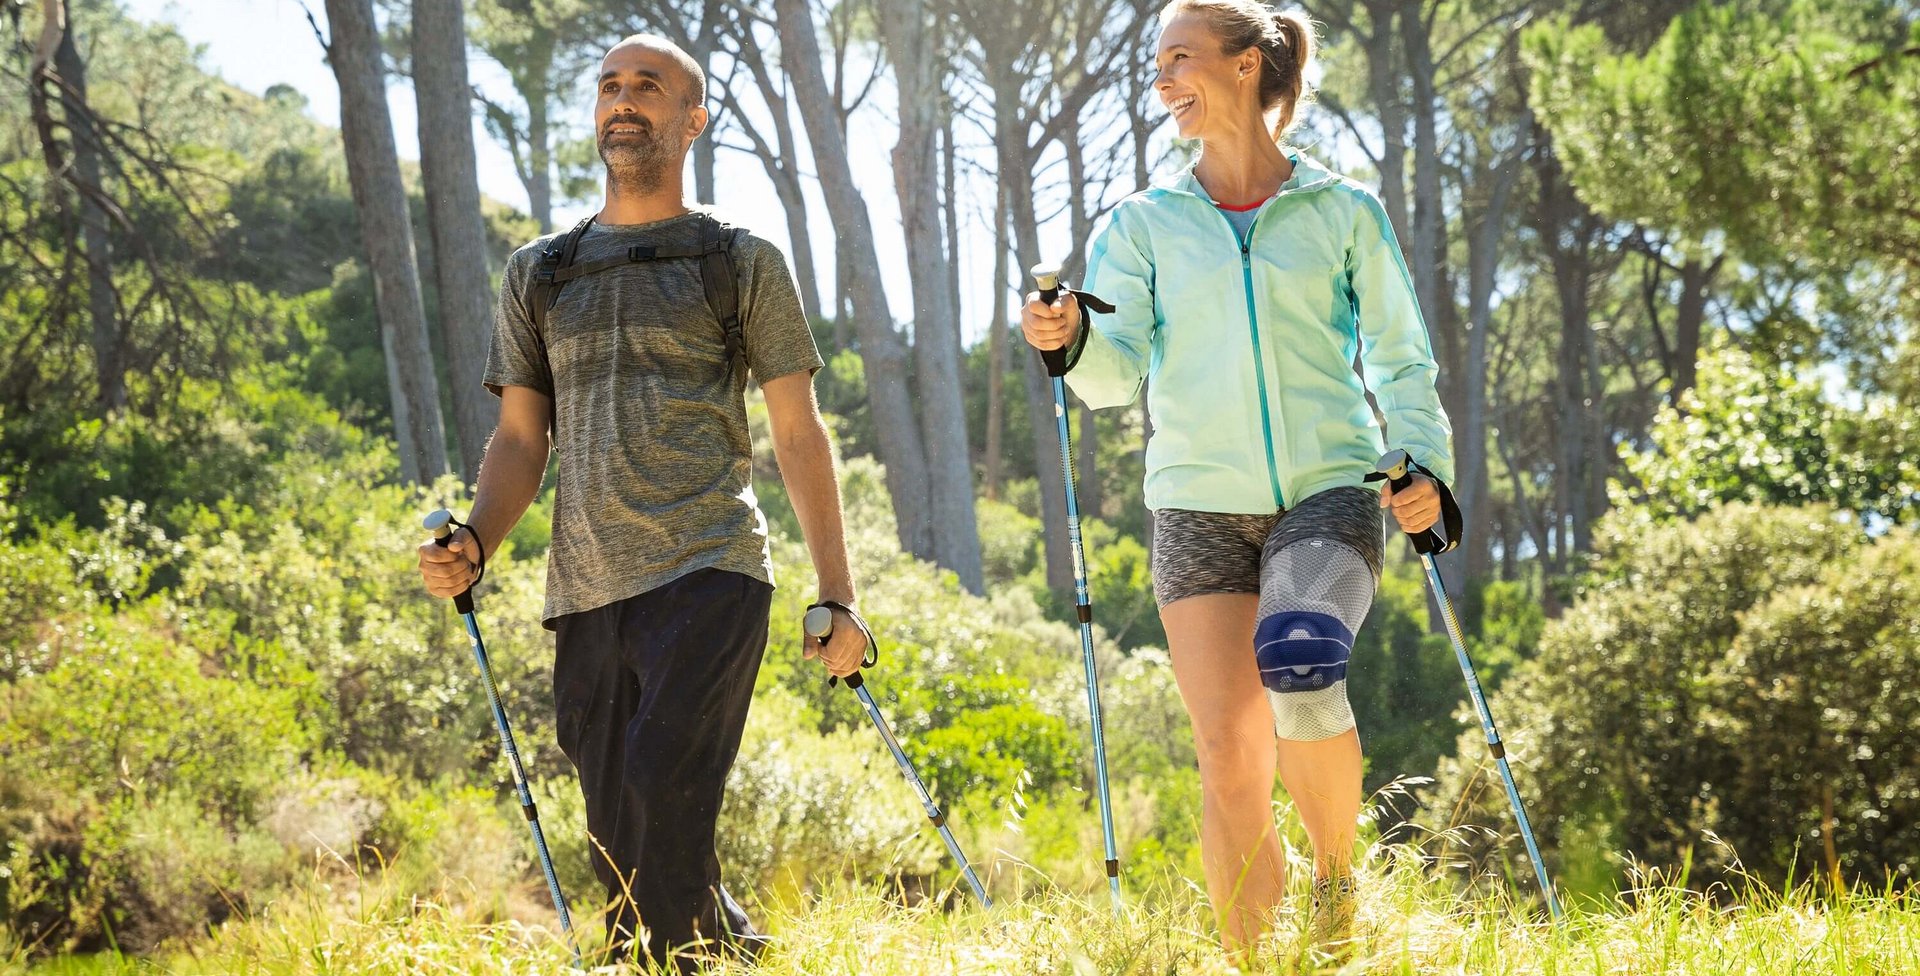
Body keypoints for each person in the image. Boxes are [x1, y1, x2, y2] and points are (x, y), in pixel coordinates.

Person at [417, 33, 869, 971]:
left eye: (649, 87)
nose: (624, 101)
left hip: (710, 568)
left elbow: (797, 433)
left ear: (691, 119)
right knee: (622, 832)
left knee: (666, 785)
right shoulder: (540, 272)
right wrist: (475, 539)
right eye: (610, 85)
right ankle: (732, 952)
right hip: (585, 587)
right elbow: (518, 440)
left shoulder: (737, 259)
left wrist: (838, 593)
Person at [1022, 0, 1455, 961]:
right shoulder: (1141, 224)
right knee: (1229, 755)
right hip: (1196, 506)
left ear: (1249, 65)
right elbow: (1109, 377)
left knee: (1301, 661)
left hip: (1329, 492)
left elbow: (1401, 361)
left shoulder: (1343, 211)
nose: (1164, 81)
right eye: (1157, 65)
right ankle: (1252, 958)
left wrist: (1424, 468)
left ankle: (1339, 886)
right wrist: (1072, 338)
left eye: (1181, 58)